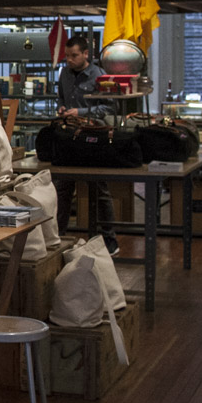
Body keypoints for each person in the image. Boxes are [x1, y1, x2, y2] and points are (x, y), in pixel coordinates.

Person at [54, 34, 119, 254]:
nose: (69, 60)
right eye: (67, 56)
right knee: (62, 189)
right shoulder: (64, 73)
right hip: (70, 136)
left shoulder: (100, 76)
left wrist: (80, 111)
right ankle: (58, 238)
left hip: (92, 138)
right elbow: (62, 98)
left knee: (99, 189)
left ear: (85, 54)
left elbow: (109, 108)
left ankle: (110, 240)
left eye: (74, 56)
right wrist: (63, 109)